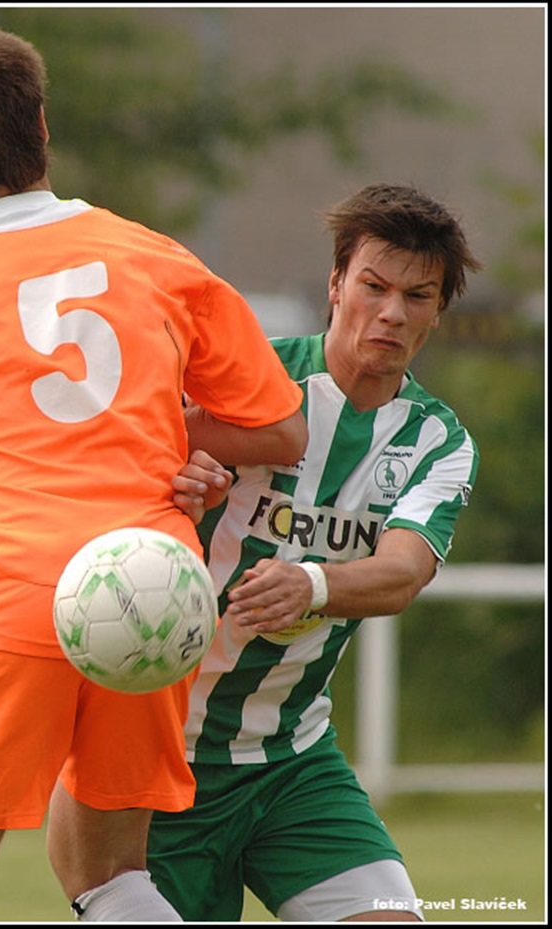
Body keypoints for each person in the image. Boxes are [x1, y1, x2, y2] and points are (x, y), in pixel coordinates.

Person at [0, 23, 308, 924]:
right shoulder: (153, 255)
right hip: (151, 595)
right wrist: (174, 441)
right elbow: (282, 428)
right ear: (40, 124)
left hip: (7, 602)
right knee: (116, 878)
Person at [148, 183, 482, 922]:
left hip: (290, 760)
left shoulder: (439, 442)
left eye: (418, 296)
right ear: (336, 284)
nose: (392, 312)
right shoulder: (245, 385)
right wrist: (181, 485)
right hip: (163, 759)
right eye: (374, 285)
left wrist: (311, 582)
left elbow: (401, 571)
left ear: (437, 312)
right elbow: (132, 478)